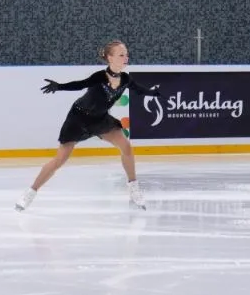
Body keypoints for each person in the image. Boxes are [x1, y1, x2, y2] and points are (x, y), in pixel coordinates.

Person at [15, 40, 158, 212]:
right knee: (60, 159)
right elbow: (80, 84)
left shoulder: (126, 79)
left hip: (100, 120)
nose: (126, 57)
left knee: (126, 147)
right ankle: (30, 193)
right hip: (78, 118)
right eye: (121, 55)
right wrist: (59, 86)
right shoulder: (99, 77)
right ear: (110, 58)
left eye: (126, 54)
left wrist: (153, 93)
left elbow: (139, 89)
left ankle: (134, 189)